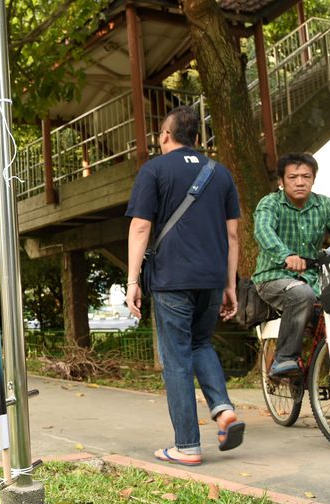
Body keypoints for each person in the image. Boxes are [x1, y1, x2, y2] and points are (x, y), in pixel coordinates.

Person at [125, 106, 244, 466]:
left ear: (165, 135)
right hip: (211, 279)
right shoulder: (219, 173)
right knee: (200, 343)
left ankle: (188, 446)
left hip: (172, 279)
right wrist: (230, 285)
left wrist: (132, 280)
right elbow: (233, 234)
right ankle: (222, 408)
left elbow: (141, 227)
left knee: (176, 357)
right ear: (196, 137)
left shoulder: (155, 170)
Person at [253, 153, 330, 377]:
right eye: (293, 177)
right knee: (301, 294)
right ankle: (284, 358)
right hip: (273, 277)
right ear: (281, 181)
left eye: (306, 176)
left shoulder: (323, 205)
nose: (300, 182)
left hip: (314, 278)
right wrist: (286, 255)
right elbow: (263, 231)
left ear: (313, 179)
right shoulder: (270, 203)